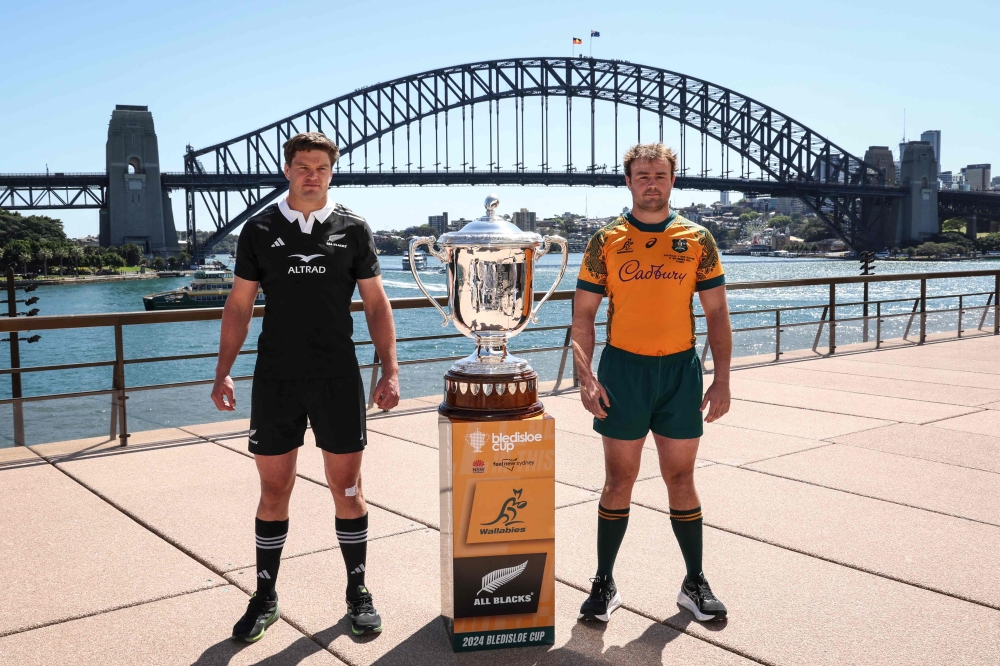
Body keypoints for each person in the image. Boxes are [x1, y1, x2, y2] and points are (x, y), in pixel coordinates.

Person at [211, 132, 400, 641]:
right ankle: (266, 596)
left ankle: (357, 591)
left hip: (338, 376)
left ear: (331, 171)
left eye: (320, 167)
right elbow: (239, 306)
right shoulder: (260, 228)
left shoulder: (354, 229)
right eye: (302, 166)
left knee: (348, 488)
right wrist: (223, 369)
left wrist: (391, 369)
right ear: (288, 169)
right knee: (274, 490)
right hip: (276, 377)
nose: (311, 175)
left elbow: (378, 305)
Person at [572, 143, 732, 623]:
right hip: (624, 371)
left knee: (680, 478)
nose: (651, 183)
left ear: (672, 180)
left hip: (679, 372)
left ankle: (694, 582)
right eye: (642, 175)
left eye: (660, 175)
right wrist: (585, 378)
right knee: (618, 479)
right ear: (628, 181)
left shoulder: (697, 238)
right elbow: (582, 318)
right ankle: (603, 581)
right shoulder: (606, 241)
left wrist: (722, 379)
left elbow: (718, 313)